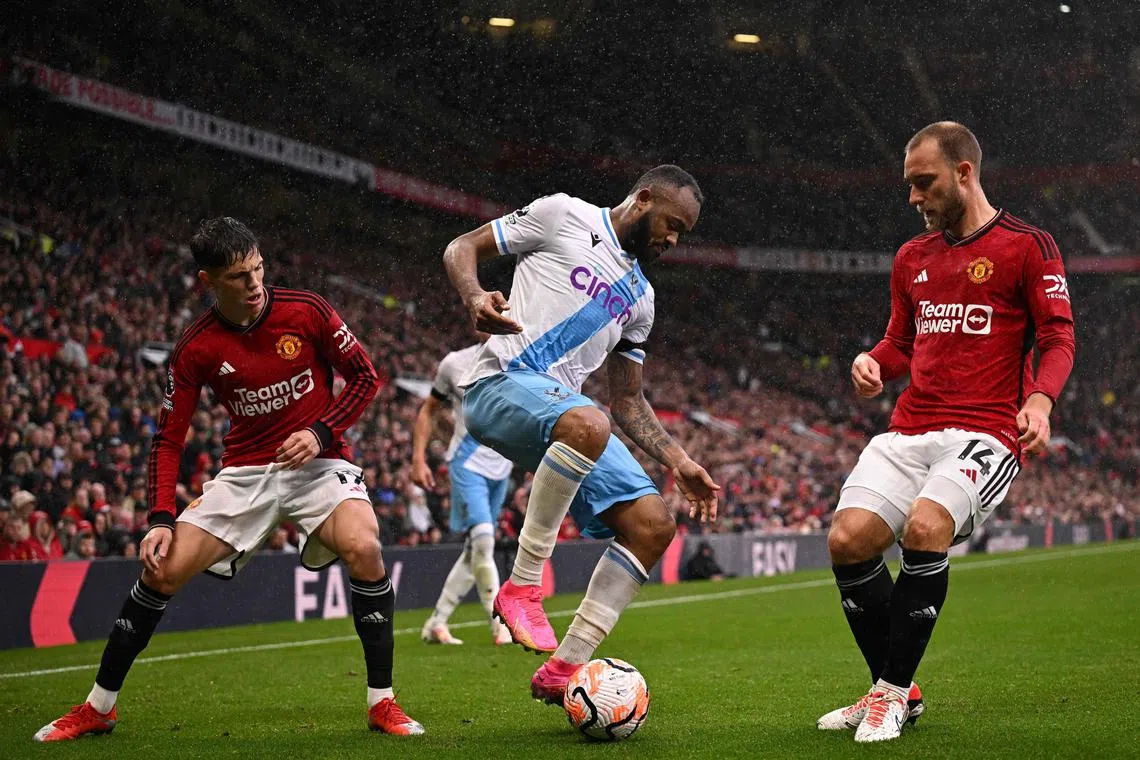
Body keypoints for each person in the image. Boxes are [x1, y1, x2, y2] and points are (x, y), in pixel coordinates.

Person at [34, 217, 423, 742]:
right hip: (245, 474)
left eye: (258, 268)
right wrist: (160, 519)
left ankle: (382, 702)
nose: (255, 283)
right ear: (209, 281)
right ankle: (99, 706)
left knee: (365, 546)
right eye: (240, 276)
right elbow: (168, 439)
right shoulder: (196, 347)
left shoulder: (306, 310)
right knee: (161, 571)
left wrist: (322, 432)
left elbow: (365, 378)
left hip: (318, 464)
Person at [817, 123, 1075, 743]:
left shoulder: (1027, 245)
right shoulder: (912, 257)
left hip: (985, 430)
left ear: (964, 172)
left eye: (924, 182)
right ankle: (895, 689)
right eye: (909, 185)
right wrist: (874, 361)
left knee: (925, 528)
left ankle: (887, 694)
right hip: (910, 427)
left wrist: (1040, 402)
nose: (913, 197)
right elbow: (901, 341)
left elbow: (1058, 336)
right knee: (847, 540)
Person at [442, 165, 720, 704]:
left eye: (683, 234)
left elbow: (628, 400)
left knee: (652, 525)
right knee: (588, 422)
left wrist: (679, 460)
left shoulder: (642, 299)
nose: (672, 240)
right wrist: (474, 296)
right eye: (672, 224)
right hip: (498, 384)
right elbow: (461, 247)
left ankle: (562, 671)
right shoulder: (562, 214)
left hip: (560, 415)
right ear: (643, 199)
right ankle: (522, 586)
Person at [411, 338, 513, 646]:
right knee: (483, 541)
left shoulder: (521, 357)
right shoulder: (455, 363)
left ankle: (436, 623)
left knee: (474, 551)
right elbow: (428, 410)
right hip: (467, 462)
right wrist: (418, 458)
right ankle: (499, 625)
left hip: (502, 466)